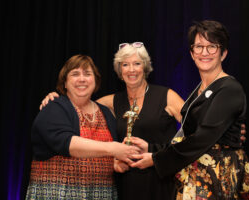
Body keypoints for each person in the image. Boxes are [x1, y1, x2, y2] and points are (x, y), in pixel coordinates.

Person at [129, 20, 249, 200]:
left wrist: (157, 159)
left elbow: (202, 139)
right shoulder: (199, 90)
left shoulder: (229, 89)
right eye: (199, 47)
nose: (204, 53)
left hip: (218, 178)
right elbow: (189, 137)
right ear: (191, 53)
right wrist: (151, 148)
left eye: (212, 46)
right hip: (197, 177)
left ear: (223, 53)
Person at [40, 43, 184, 200]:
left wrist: (156, 155)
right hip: (125, 185)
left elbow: (195, 135)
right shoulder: (110, 102)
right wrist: (55, 98)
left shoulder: (167, 96)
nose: (131, 69)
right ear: (120, 71)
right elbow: (79, 103)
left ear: (145, 67)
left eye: (137, 63)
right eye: (125, 64)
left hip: (161, 184)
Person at [26, 55, 140, 200]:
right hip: (58, 194)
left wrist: (114, 163)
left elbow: (105, 155)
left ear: (96, 81)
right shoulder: (54, 108)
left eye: (87, 74)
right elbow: (69, 144)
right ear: (65, 83)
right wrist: (113, 148)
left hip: (101, 194)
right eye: (75, 74)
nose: (82, 79)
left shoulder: (106, 113)